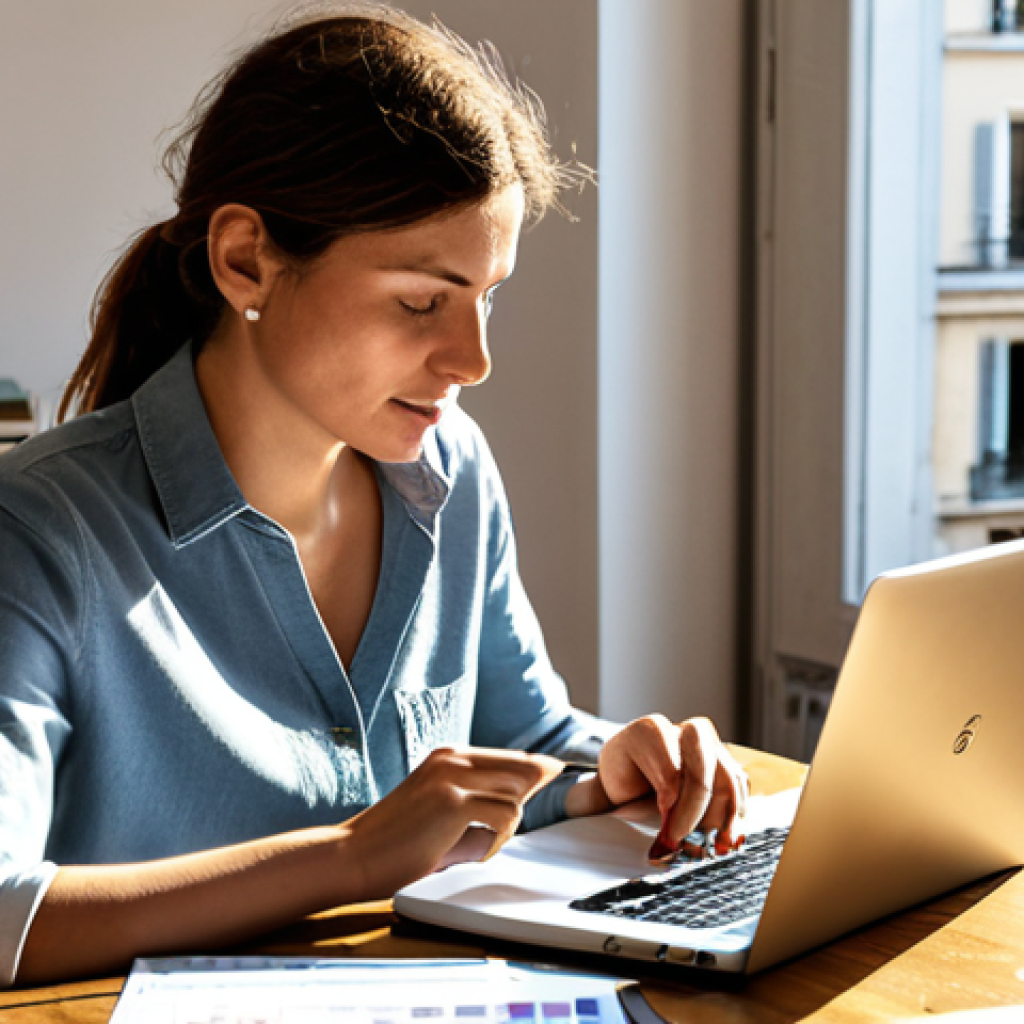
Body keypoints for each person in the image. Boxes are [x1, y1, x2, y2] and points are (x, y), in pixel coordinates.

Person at [0, 3, 748, 988]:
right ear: (245, 261)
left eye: (487, 297)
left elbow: (521, 745)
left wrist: (611, 772)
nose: (474, 359)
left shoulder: (452, 470)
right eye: (421, 302)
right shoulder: (42, 533)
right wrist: (348, 857)